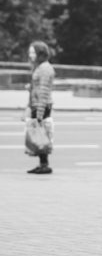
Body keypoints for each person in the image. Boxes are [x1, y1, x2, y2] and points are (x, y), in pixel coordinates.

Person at [27, 41, 55, 174]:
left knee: (41, 136)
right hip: (36, 104)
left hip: (41, 105)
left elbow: (44, 91)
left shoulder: (45, 68)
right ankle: (42, 163)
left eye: (33, 52)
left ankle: (45, 165)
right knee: (38, 135)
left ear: (40, 53)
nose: (30, 54)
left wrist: (39, 112)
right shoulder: (39, 67)